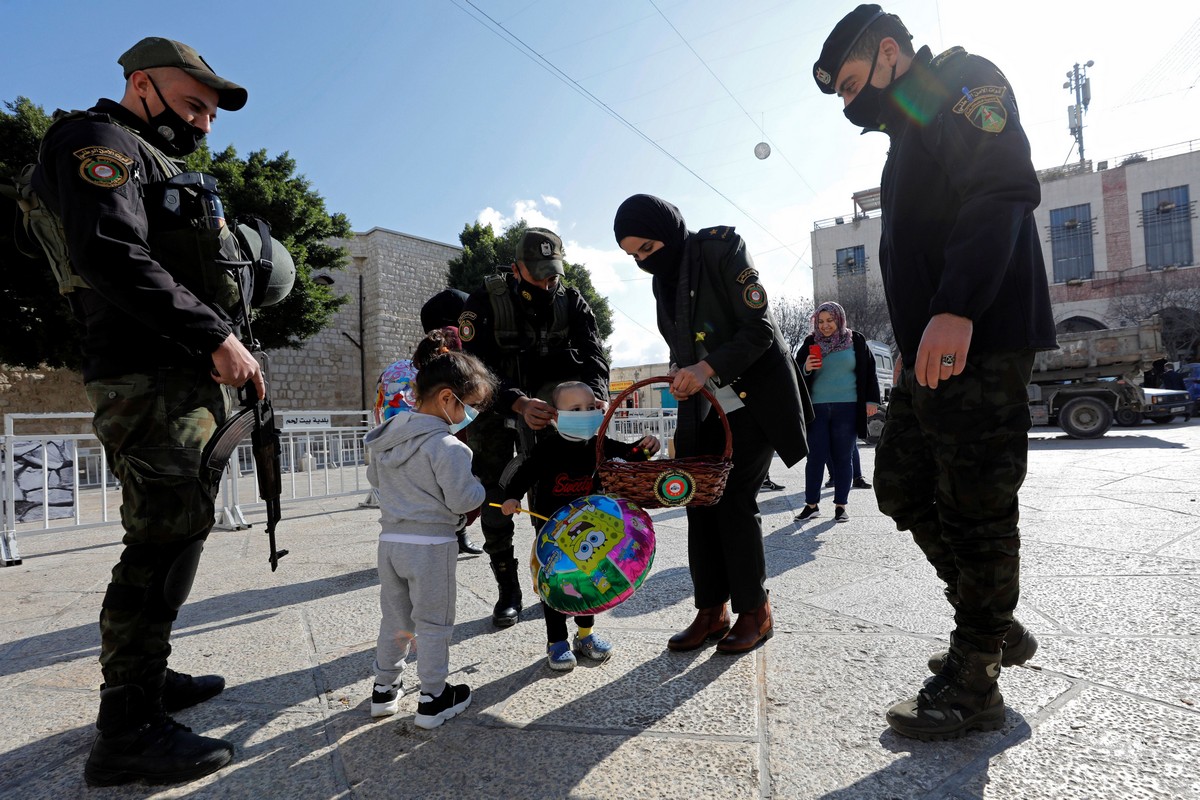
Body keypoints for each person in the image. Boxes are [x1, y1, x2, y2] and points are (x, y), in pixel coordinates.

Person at [813, 5, 1057, 740]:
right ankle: (996, 623)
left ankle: (976, 674)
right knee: (901, 482)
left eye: (854, 83)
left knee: (977, 505)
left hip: (979, 334)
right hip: (933, 353)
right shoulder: (908, 136)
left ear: (890, 53)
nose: (852, 105)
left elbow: (1002, 187)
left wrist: (955, 306)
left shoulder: (961, 82)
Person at [30, 37, 260, 785]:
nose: (201, 125)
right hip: (146, 376)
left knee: (178, 526)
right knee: (160, 539)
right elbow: (109, 254)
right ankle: (125, 729)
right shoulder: (95, 141)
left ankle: (147, 677)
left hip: (174, 377)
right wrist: (215, 334)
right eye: (192, 104)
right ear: (140, 86)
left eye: (211, 115)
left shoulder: (145, 156)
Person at [614, 194, 811, 654]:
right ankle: (711, 611)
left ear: (668, 232)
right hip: (702, 407)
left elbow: (760, 328)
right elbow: (683, 346)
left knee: (733, 501)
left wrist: (706, 370)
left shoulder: (721, 249)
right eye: (634, 256)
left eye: (647, 248)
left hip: (752, 400)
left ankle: (754, 611)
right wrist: (686, 378)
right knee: (696, 500)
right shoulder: (662, 280)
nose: (644, 261)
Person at [458, 227, 610, 627]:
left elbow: (594, 354)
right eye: (538, 272)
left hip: (547, 410)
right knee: (495, 498)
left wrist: (596, 393)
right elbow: (477, 367)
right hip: (496, 408)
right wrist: (517, 401)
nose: (547, 281)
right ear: (516, 268)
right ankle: (508, 589)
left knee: (550, 499)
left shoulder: (571, 300)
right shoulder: (484, 301)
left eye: (553, 272)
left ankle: (557, 575)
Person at [364, 349, 495, 728]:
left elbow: (375, 482)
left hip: (390, 543)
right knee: (434, 623)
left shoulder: (386, 438)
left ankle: (384, 689)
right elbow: (462, 499)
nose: (468, 415)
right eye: (468, 406)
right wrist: (480, 489)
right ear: (445, 398)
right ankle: (434, 697)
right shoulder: (448, 446)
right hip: (432, 547)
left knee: (396, 619)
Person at [499, 381, 660, 670]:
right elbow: (523, 473)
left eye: (590, 407)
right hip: (553, 533)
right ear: (557, 416)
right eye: (575, 409)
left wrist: (646, 448)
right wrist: (511, 496)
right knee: (557, 585)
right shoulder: (546, 448)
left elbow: (629, 455)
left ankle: (585, 635)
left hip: (591, 527)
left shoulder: (598, 445)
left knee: (588, 584)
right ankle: (556, 642)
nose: (585, 413)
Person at [372, 288, 483, 555]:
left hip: (397, 440)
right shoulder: (455, 348)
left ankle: (448, 535)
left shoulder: (406, 365)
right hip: (442, 432)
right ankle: (456, 533)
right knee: (449, 483)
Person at [795, 301, 880, 524]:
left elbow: (869, 371)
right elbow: (794, 370)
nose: (825, 326)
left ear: (839, 319)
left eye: (830, 321)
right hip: (817, 409)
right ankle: (811, 505)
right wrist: (806, 368)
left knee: (843, 457)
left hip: (847, 407)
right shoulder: (810, 342)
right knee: (815, 457)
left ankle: (840, 506)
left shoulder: (856, 340)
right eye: (820, 321)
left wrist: (872, 400)